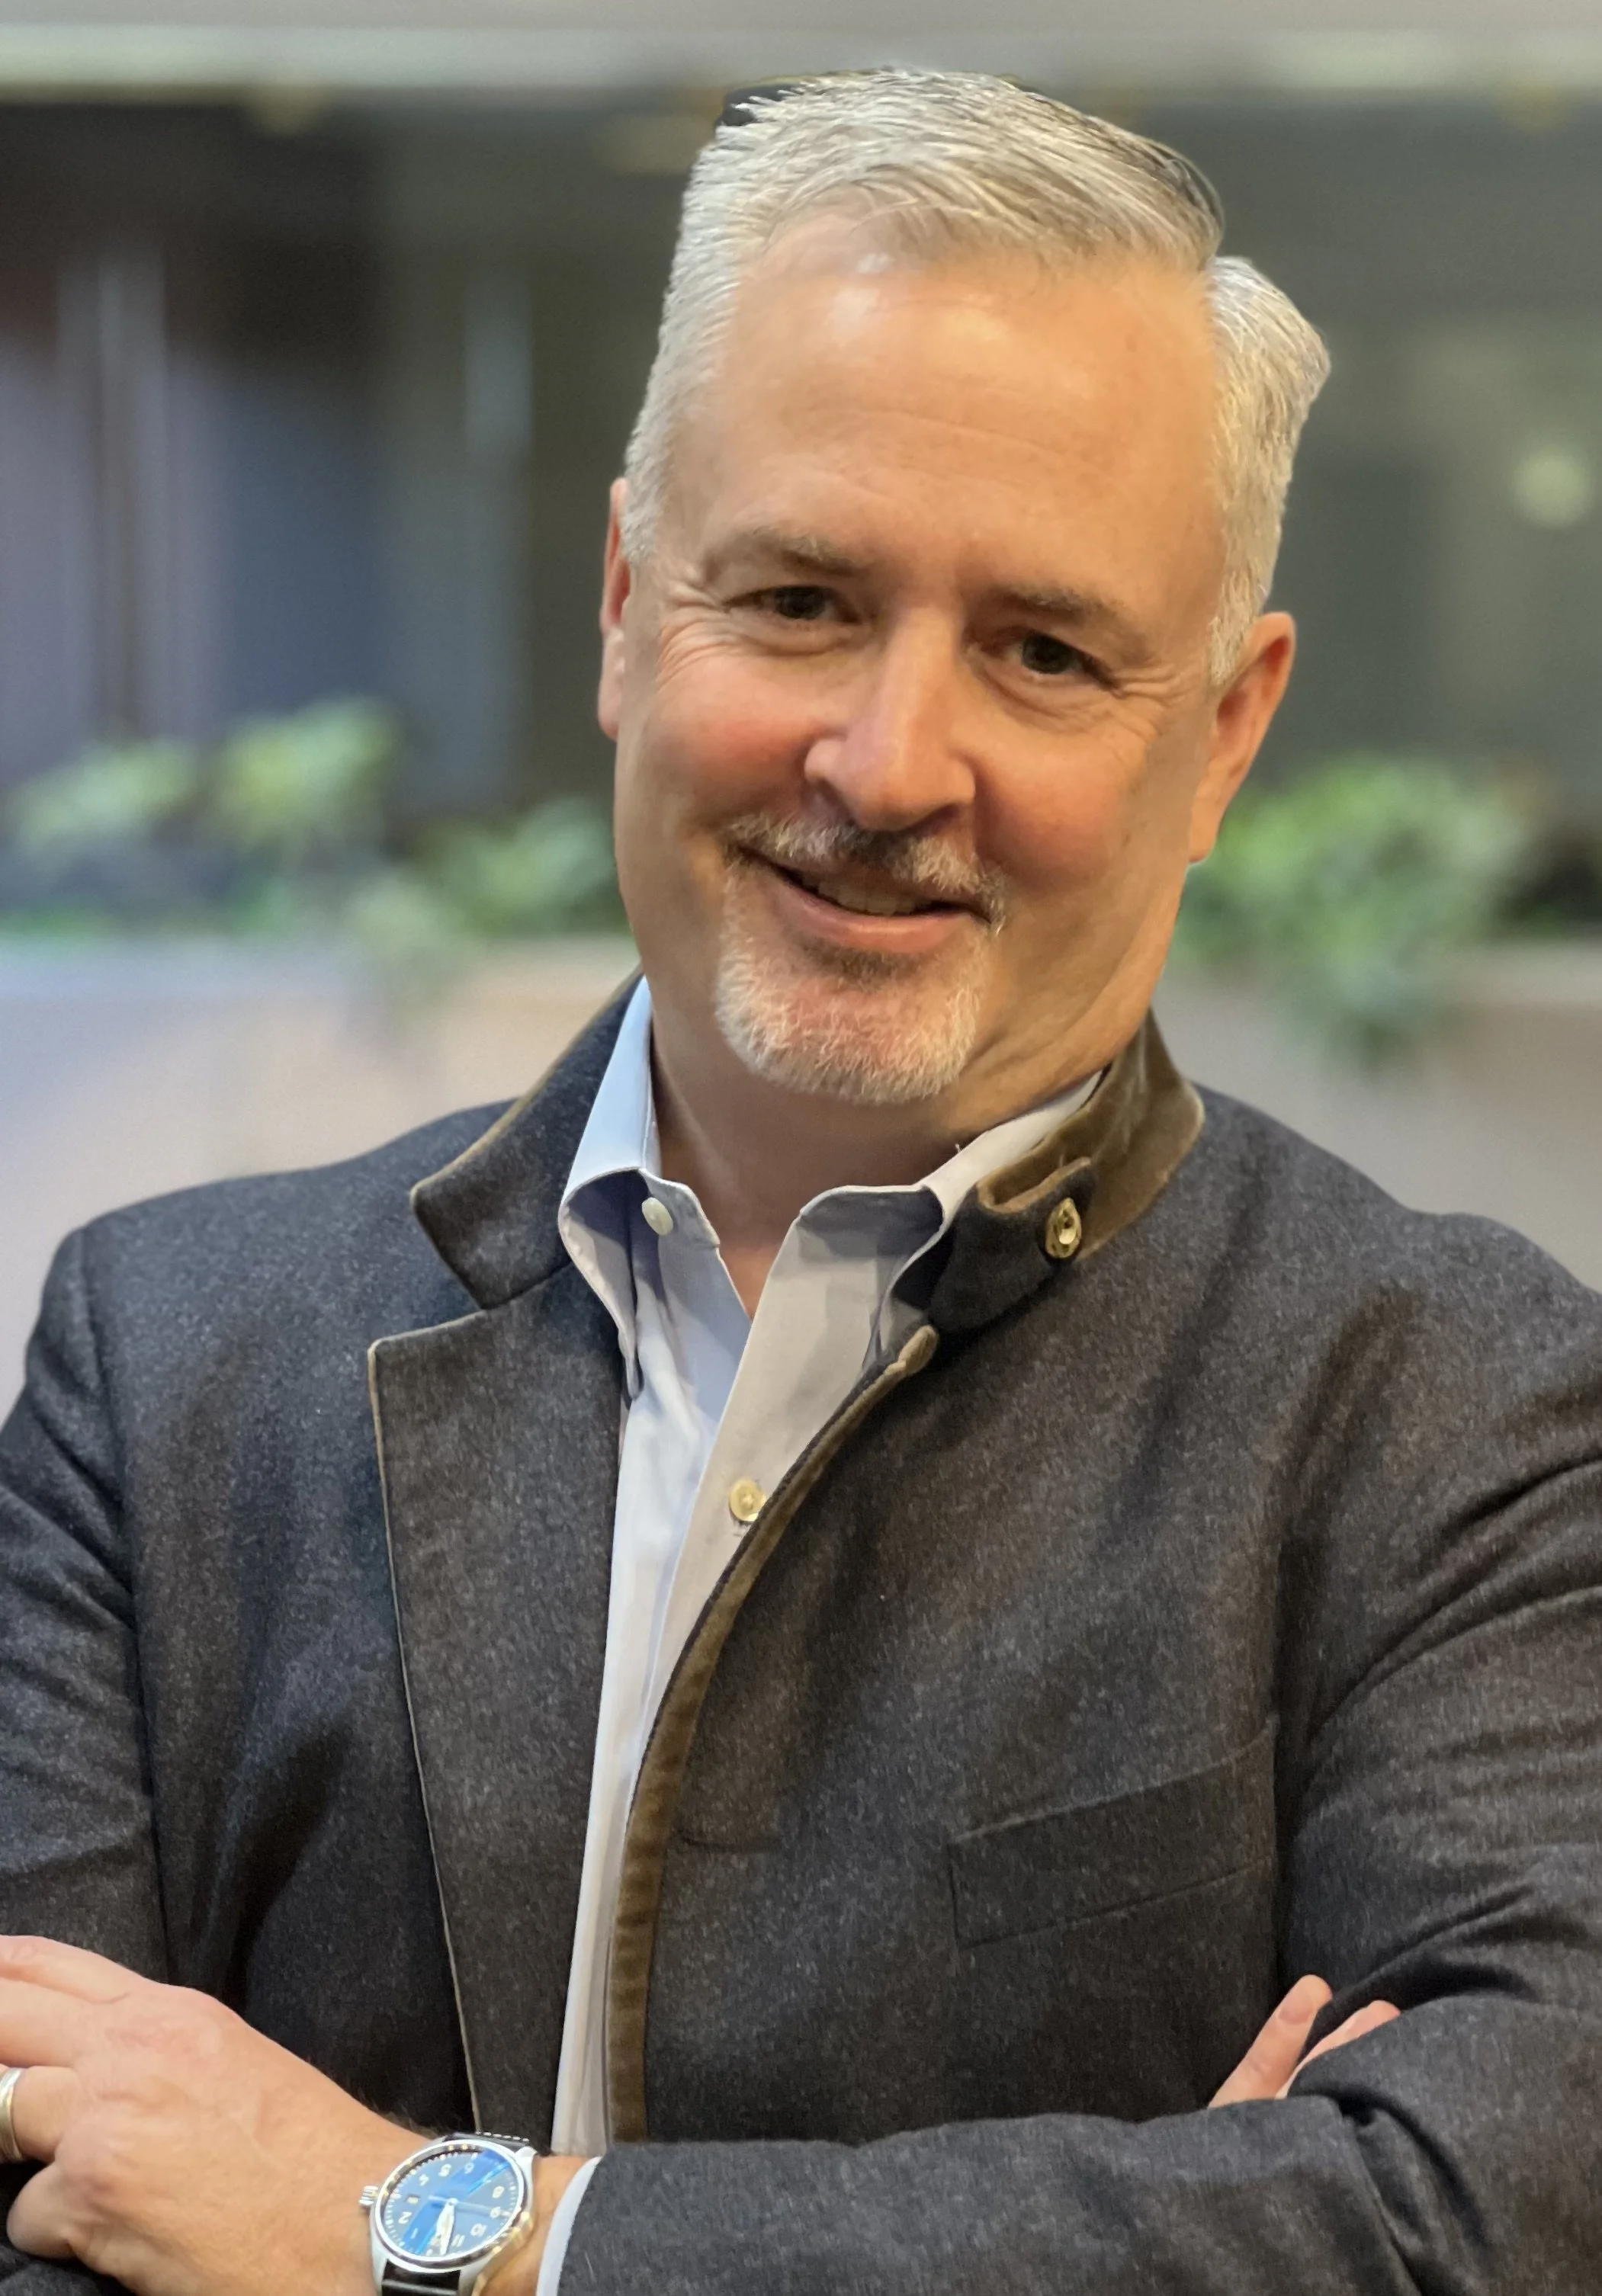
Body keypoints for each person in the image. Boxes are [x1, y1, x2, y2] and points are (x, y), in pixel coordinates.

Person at [1, 66, 1600, 2296]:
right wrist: (1162, 2214)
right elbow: (51, 2204)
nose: (887, 761)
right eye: (798, 599)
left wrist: (438, 2232)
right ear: (624, 601)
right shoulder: (162, 1365)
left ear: (1223, 733)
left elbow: (1481, 2215)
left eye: (1044, 651)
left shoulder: (1456, 1406)